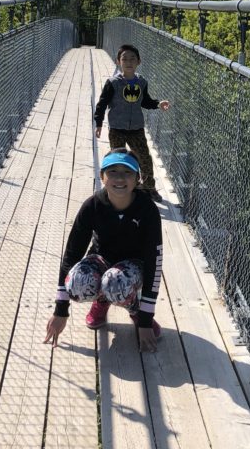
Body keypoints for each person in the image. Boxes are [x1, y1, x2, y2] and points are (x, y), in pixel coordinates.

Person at [44, 148, 163, 352]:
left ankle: (134, 310)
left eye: (127, 172)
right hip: (101, 260)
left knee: (115, 281)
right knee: (77, 282)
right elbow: (71, 255)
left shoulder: (147, 209)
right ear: (102, 177)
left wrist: (145, 319)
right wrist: (60, 310)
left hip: (134, 266)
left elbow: (155, 261)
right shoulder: (93, 205)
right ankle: (102, 300)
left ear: (137, 178)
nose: (119, 178)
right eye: (112, 172)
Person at [94, 44, 170, 202]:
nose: (129, 62)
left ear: (139, 62)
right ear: (118, 62)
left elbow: (145, 101)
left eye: (132, 59)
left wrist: (157, 103)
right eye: (124, 59)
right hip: (117, 128)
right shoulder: (113, 83)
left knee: (144, 159)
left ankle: (149, 188)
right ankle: (115, 188)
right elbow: (102, 104)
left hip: (136, 128)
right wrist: (99, 123)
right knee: (118, 160)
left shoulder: (141, 82)